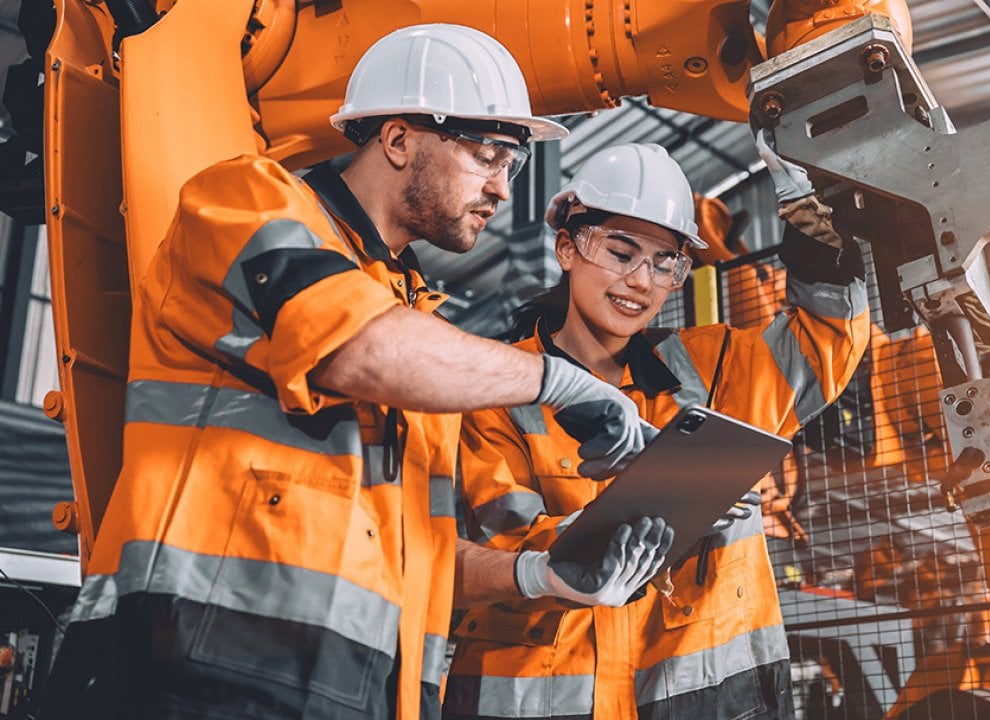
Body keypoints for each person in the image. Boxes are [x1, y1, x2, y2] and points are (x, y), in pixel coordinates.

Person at [40, 25, 674, 720]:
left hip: (352, 690)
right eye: (486, 155)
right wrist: (563, 382)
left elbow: (420, 555)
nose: (500, 188)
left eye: (513, 166)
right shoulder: (245, 203)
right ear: (398, 140)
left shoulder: (414, 325)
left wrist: (539, 572)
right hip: (188, 669)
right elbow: (361, 349)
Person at [443, 140, 872, 720]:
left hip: (708, 700)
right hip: (543, 702)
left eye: (663, 263)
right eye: (619, 253)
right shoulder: (500, 391)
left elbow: (828, 337)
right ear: (568, 248)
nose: (640, 281)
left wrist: (807, 201)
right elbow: (505, 546)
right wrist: (626, 526)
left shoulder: (718, 369)